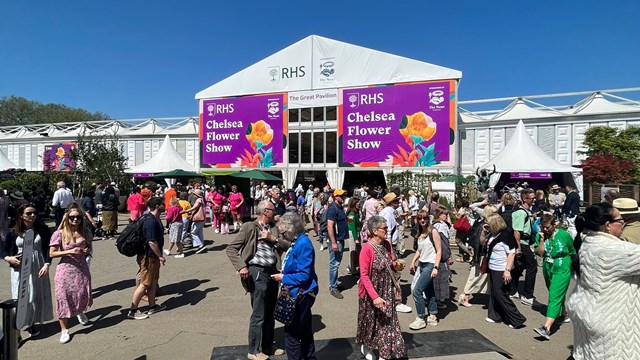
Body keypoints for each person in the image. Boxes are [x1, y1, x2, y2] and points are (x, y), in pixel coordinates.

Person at [566, 203, 640, 359]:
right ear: (607, 225)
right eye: (621, 220)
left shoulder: (587, 242)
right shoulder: (614, 251)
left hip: (587, 314)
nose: (623, 223)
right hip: (610, 323)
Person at [226, 200, 289, 360]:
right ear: (265, 211)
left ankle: (267, 346)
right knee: (259, 313)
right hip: (257, 271)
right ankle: (253, 350)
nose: (275, 213)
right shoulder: (249, 227)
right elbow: (231, 249)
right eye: (273, 210)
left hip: (273, 272)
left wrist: (272, 238)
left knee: (270, 311)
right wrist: (241, 267)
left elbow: (287, 245)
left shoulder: (273, 228)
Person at [356, 216, 406, 360]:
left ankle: (385, 354)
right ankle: (366, 346)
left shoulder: (387, 245)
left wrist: (395, 265)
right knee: (369, 323)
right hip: (371, 292)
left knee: (387, 324)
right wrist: (375, 296)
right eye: (384, 228)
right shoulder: (366, 249)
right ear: (374, 231)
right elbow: (364, 276)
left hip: (386, 289)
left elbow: (390, 263)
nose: (387, 230)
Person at [271, 213, 319, 360]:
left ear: (292, 229)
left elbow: (304, 275)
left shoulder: (303, 243)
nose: (283, 236)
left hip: (301, 294)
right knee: (304, 331)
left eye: (284, 233)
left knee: (292, 334)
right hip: (302, 292)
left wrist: (284, 277)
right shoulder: (298, 241)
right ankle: (309, 357)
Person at [1, 203, 54, 337]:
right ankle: (16, 332)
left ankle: (31, 323)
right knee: (21, 296)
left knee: (34, 295)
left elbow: (49, 248)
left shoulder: (42, 230)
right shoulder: (13, 232)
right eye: (29, 213)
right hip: (20, 269)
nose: (32, 215)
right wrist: (9, 258)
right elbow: (3, 250)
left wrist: (47, 264)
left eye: (34, 213)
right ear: (21, 215)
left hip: (38, 266)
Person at [49, 207, 93, 343]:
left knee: (80, 294)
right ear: (66, 218)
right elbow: (52, 253)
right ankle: (64, 329)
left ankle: (79, 311)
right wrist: (70, 251)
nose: (75, 219)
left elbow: (89, 247)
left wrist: (86, 250)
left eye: (78, 217)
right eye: (72, 217)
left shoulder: (85, 232)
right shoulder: (59, 233)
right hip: (65, 269)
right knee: (63, 297)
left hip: (81, 267)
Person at [532, 214, 575, 340]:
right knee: (555, 291)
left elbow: (572, 250)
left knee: (554, 296)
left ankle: (546, 328)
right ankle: (563, 314)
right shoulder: (540, 236)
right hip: (548, 266)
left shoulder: (564, 235)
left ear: (554, 224)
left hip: (562, 265)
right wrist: (540, 239)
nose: (545, 230)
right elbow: (540, 253)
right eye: (543, 227)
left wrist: (574, 267)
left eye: (547, 227)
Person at [484, 214, 526, 329]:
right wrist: (483, 232)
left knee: (500, 293)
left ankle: (517, 319)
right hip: (493, 267)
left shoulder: (506, 235)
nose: (486, 224)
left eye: (488, 223)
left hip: (501, 268)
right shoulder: (492, 234)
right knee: (494, 292)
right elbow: (483, 243)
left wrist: (507, 270)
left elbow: (511, 253)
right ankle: (495, 315)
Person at [128, 197, 167, 320]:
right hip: (148, 256)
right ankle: (133, 310)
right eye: (162, 204)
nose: (164, 205)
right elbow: (151, 242)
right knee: (144, 284)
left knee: (153, 281)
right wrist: (160, 256)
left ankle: (152, 306)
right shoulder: (150, 221)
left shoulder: (154, 218)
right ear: (157, 206)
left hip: (152, 256)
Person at [409, 210, 442, 330]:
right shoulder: (420, 232)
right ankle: (433, 314)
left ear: (428, 219)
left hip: (430, 265)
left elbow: (439, 251)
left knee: (417, 291)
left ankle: (421, 318)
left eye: (424, 218)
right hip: (422, 264)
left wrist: (436, 267)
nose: (422, 220)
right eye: (420, 218)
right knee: (429, 291)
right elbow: (419, 250)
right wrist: (413, 262)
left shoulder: (433, 231)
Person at [509, 189, 537, 306]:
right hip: (522, 243)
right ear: (524, 199)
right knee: (532, 267)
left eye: (534, 198)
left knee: (519, 267)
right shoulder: (521, 213)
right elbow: (517, 231)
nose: (534, 200)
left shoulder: (527, 212)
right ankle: (527, 295)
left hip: (525, 243)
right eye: (532, 198)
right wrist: (519, 247)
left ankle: (512, 290)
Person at [326, 189, 349, 299]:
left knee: (336, 263)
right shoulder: (333, 208)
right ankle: (333, 287)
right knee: (334, 264)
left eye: (344, 195)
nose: (344, 197)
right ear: (336, 197)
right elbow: (330, 226)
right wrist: (333, 242)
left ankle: (334, 284)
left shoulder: (340, 207)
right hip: (336, 240)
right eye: (341, 195)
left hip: (341, 239)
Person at [432, 208, 453, 308]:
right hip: (440, 256)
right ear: (439, 215)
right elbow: (444, 244)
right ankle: (437, 300)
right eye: (444, 214)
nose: (446, 216)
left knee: (441, 278)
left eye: (446, 214)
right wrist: (448, 255)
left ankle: (437, 299)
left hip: (441, 255)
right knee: (439, 279)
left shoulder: (441, 225)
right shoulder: (439, 226)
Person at [186, 189, 207, 254]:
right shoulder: (202, 200)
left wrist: (187, 211)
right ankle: (201, 244)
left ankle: (200, 245)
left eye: (194, 194)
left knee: (193, 232)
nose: (193, 195)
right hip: (202, 218)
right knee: (199, 232)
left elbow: (194, 207)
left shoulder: (198, 200)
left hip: (198, 218)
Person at [455, 197, 474, 263]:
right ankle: (461, 257)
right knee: (463, 241)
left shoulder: (462, 209)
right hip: (467, 226)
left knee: (458, 241)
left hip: (461, 226)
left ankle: (469, 252)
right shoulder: (469, 209)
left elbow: (458, 217)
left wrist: (455, 213)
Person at [346, 197, 362, 276]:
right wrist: (356, 238)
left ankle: (353, 266)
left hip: (357, 232)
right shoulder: (351, 214)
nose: (359, 204)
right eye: (357, 203)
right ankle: (352, 269)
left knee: (357, 251)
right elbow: (352, 227)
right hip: (352, 234)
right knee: (352, 251)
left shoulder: (356, 212)